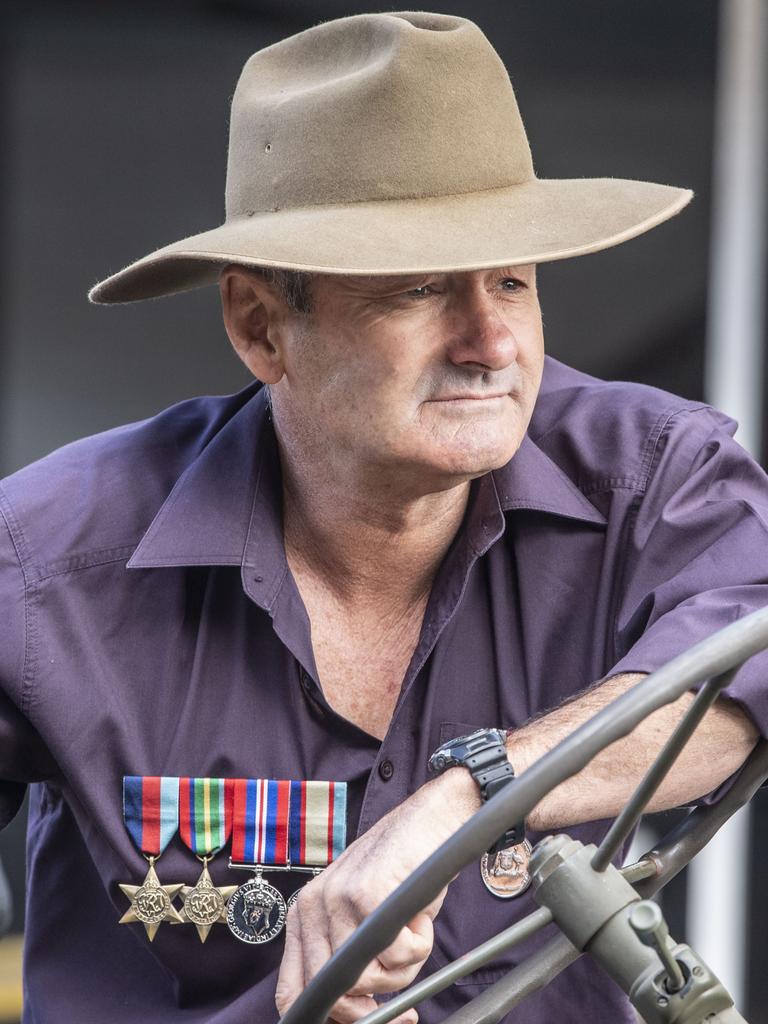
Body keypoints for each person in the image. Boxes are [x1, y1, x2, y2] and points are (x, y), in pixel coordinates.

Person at [0, 11, 765, 1024]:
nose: (490, 339)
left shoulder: (655, 478)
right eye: (419, 287)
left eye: (511, 280)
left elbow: (749, 654)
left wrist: (466, 796)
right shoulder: (51, 562)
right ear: (261, 325)